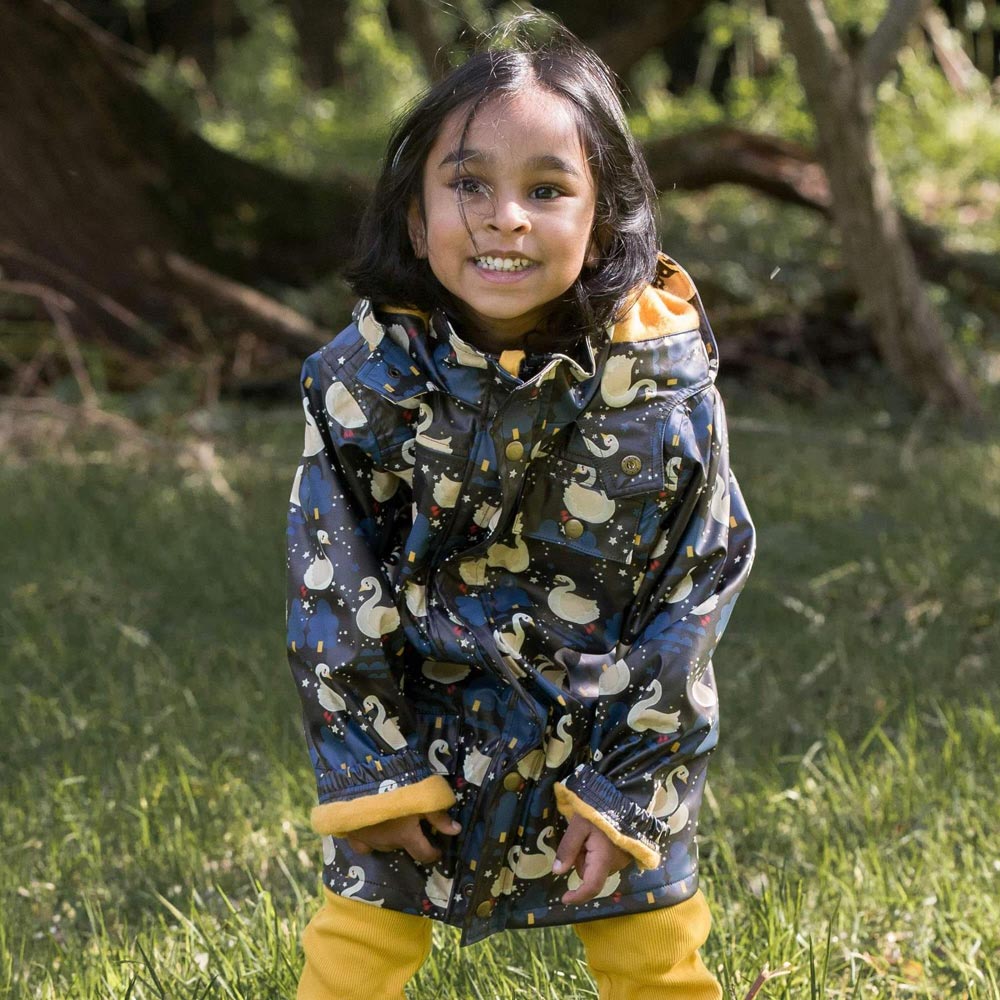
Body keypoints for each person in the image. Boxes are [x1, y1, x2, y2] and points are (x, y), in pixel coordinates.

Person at [286, 16, 755, 1000]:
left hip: (605, 722)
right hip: (429, 733)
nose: (505, 217)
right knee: (355, 947)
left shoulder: (660, 384)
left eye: (546, 188)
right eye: (469, 184)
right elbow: (331, 588)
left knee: (654, 954)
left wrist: (630, 778)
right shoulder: (365, 383)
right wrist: (375, 770)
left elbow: (695, 585)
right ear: (416, 218)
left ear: (604, 218)